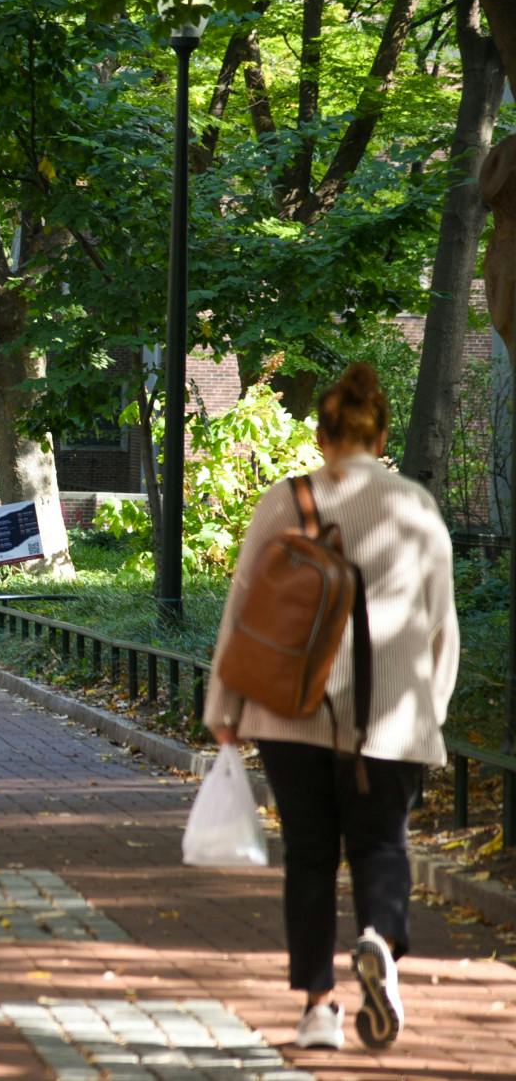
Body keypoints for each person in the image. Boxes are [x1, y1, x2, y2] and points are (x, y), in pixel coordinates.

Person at [203, 363, 459, 1055]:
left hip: (292, 714)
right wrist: (429, 714)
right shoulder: (415, 507)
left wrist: (224, 702)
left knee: (310, 855)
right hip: (393, 718)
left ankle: (319, 1008)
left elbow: (244, 607)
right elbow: (443, 625)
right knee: (381, 844)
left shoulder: (286, 500)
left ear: (321, 435)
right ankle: (378, 935)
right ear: (379, 436)